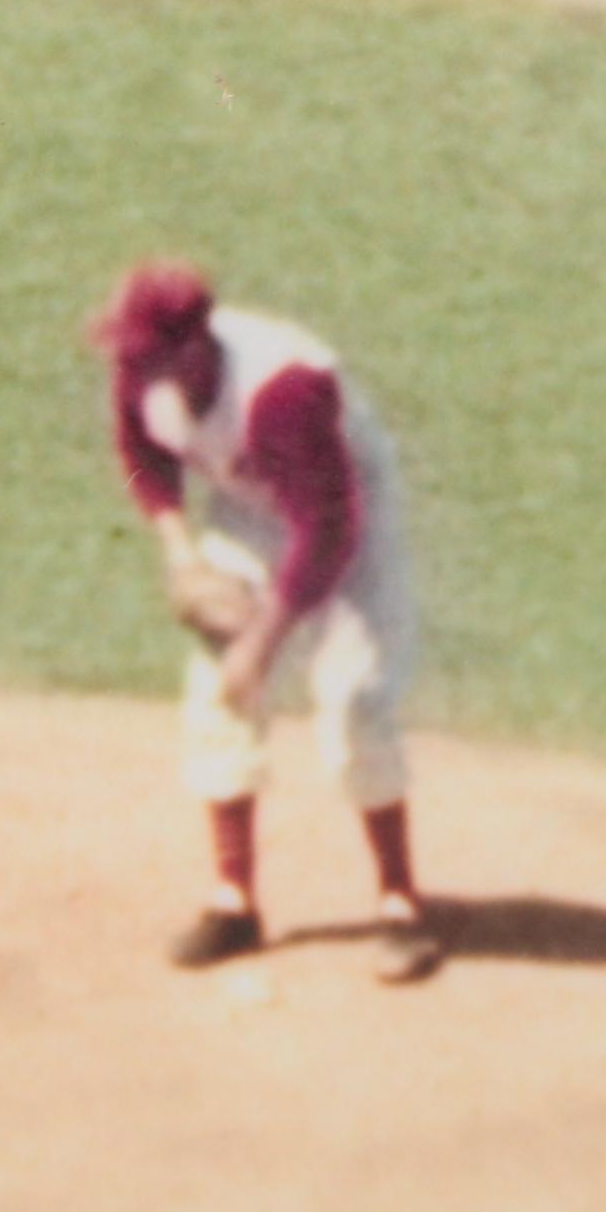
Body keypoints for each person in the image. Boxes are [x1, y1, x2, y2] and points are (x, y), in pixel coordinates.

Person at [91, 262, 442, 981]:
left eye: (146, 354)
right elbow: (138, 460)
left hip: (346, 511)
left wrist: (261, 643)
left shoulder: (285, 390)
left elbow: (326, 535)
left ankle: (399, 905)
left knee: (356, 699)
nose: (132, 367)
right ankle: (234, 904)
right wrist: (180, 551)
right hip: (248, 508)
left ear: (195, 344)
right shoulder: (143, 371)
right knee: (215, 695)